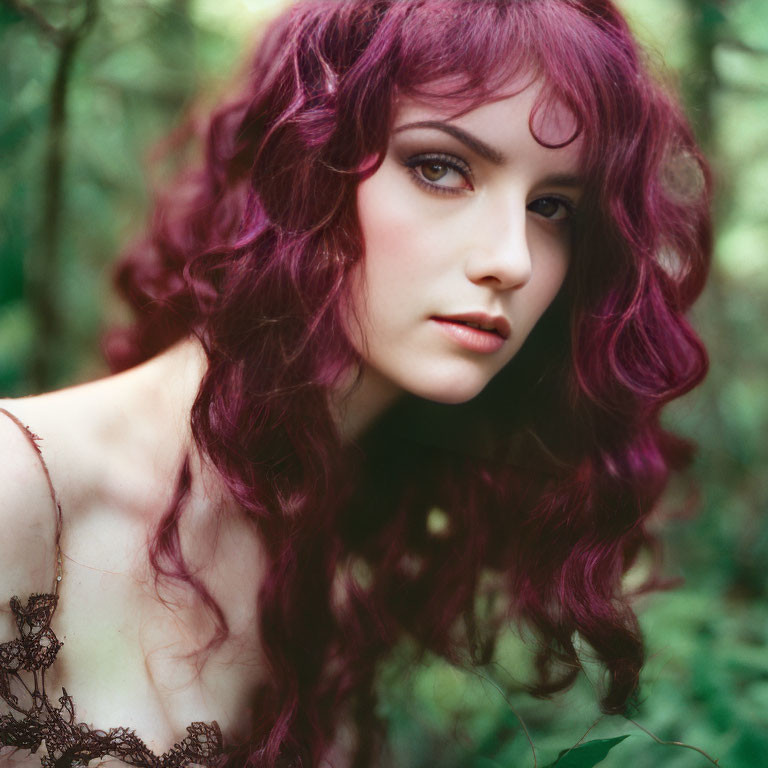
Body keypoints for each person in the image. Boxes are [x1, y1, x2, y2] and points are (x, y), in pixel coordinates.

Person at [0, 0, 712, 766]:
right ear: (302, 165)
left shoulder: (350, 553)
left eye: (552, 208)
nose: (514, 259)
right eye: (441, 167)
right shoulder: (23, 487)